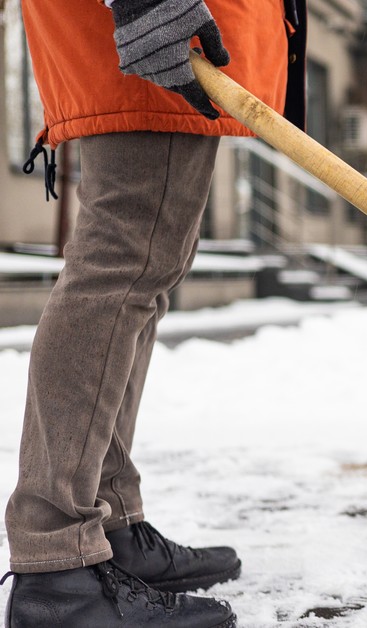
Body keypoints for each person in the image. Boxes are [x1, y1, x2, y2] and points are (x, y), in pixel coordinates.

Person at [2, 0, 305, 625]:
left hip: (171, 37)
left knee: (141, 277)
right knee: (120, 269)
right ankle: (55, 565)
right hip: (156, 31)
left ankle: (107, 524)